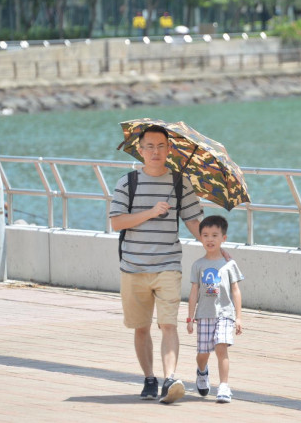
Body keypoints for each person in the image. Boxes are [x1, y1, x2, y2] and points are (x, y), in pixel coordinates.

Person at [109, 124, 205, 404]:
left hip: (168, 264)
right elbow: (116, 222)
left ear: (169, 149)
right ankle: (149, 378)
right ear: (140, 151)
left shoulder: (180, 182)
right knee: (141, 327)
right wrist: (151, 212)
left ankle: (170, 378)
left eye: (160, 146)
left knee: (168, 325)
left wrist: (214, 249)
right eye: (149, 146)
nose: (155, 151)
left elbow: (193, 222)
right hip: (134, 265)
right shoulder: (127, 183)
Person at [186, 215, 244, 404]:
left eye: (214, 235)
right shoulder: (198, 265)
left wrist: (239, 317)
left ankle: (224, 386)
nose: (210, 239)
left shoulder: (229, 264)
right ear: (200, 238)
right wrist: (190, 317)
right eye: (205, 235)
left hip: (225, 314)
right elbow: (194, 292)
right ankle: (202, 371)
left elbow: (236, 290)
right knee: (203, 354)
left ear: (223, 238)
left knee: (221, 348)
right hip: (204, 314)